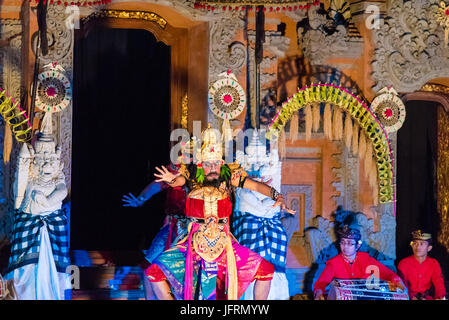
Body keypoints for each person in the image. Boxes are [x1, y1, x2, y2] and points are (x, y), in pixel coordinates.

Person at [145, 125, 295, 300]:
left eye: (217, 163)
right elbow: (178, 180)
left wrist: (277, 195)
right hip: (193, 247)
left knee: (266, 270)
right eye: (208, 164)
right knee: (154, 272)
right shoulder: (191, 176)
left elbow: (255, 185)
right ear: (201, 165)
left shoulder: (229, 177)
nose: (213, 168)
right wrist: (172, 180)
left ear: (222, 164)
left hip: (225, 246)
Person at [313, 225, 405, 300]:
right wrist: (318, 292)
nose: (345, 246)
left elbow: (387, 273)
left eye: (350, 243)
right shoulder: (334, 263)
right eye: (342, 242)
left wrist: (397, 281)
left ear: (358, 245)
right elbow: (321, 283)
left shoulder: (366, 259)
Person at [397, 230, 446, 300]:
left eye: (422, 244)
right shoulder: (404, 263)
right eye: (415, 243)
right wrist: (411, 297)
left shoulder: (434, 263)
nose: (418, 247)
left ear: (429, 248)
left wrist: (440, 297)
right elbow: (401, 284)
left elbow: (439, 283)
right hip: (407, 296)